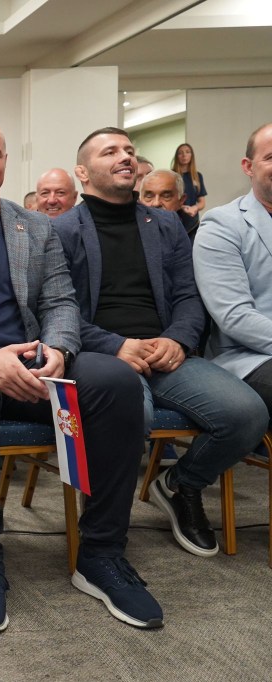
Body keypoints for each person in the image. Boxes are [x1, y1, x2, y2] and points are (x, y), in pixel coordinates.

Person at [0, 118, 164, 633]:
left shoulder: (36, 227)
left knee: (116, 382)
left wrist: (59, 348)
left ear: (5, 161)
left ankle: (101, 552)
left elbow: (60, 301)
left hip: (36, 363)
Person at [53, 126, 266, 558]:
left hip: (166, 352)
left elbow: (189, 295)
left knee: (246, 414)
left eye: (129, 149)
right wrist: (115, 346)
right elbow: (57, 309)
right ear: (82, 172)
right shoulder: (59, 230)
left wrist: (178, 340)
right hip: (100, 356)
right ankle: (103, 530)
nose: (125, 156)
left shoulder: (166, 224)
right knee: (132, 413)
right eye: (110, 151)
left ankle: (181, 484)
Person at [193, 123, 272, 425]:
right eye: (270, 157)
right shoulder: (222, 225)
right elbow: (235, 316)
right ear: (248, 167)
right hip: (249, 356)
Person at [140, 169, 199, 239]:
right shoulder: (131, 230)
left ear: (181, 200)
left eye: (166, 196)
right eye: (149, 196)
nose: (156, 203)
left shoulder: (197, 232)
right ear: (140, 200)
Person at [172, 143, 206, 219]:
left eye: (187, 152)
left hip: (193, 220)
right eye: (180, 153)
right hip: (175, 218)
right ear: (177, 156)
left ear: (191, 155)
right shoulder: (171, 175)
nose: (184, 155)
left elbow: (202, 202)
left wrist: (194, 208)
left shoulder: (197, 176)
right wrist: (181, 207)